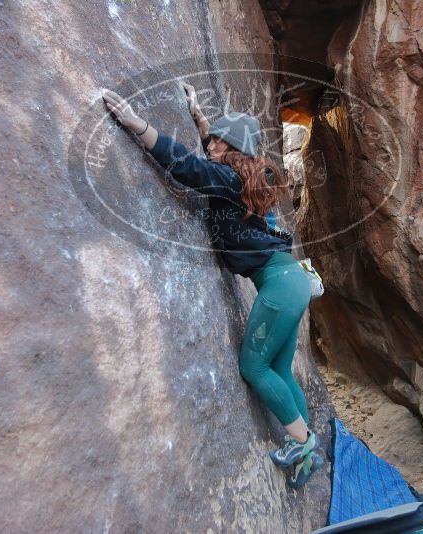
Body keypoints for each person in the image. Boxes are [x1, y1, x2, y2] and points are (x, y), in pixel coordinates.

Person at [102, 84, 324, 488]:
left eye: (218, 141)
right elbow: (211, 158)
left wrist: (138, 124)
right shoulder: (249, 177)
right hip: (291, 281)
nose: (211, 145)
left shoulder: (227, 178)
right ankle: (308, 451)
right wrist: (202, 120)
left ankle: (304, 443)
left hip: (278, 284)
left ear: (231, 148)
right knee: (278, 368)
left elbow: (190, 166)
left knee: (254, 367)